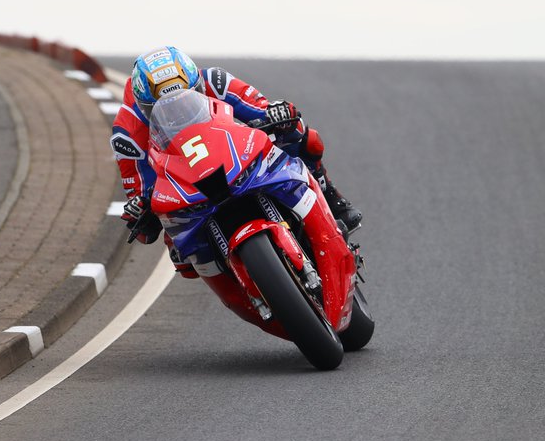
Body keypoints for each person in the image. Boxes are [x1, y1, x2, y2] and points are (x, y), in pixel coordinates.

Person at [110, 45, 361, 277]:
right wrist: (138, 209)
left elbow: (259, 107)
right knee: (182, 261)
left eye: (186, 97)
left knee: (298, 130)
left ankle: (330, 196)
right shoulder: (127, 130)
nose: (177, 111)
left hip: (231, 155)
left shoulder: (214, 80)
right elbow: (140, 193)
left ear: (196, 84)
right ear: (143, 106)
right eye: (160, 107)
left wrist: (275, 113)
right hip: (184, 181)